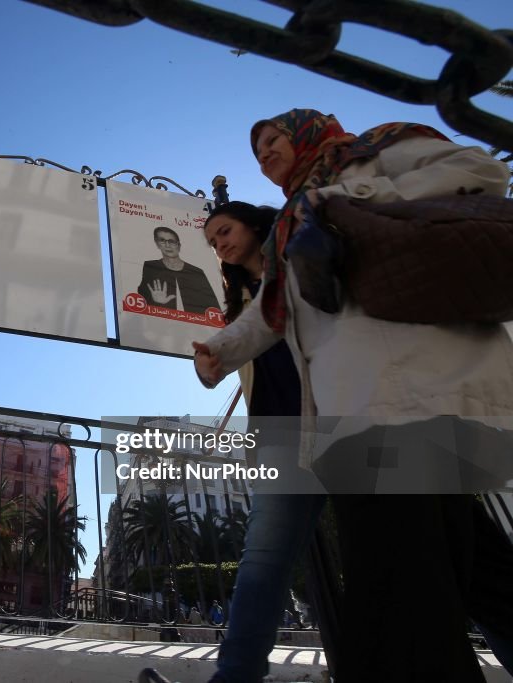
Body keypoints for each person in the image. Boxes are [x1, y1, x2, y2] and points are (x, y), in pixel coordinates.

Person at [192, 109, 513, 683]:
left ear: (309, 130)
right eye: (256, 148)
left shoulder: (370, 153)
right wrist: (222, 350)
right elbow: (276, 310)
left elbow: (476, 168)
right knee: (458, 567)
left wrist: (344, 202)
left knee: (394, 585)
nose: (264, 152)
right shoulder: (297, 219)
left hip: (412, 389)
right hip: (367, 403)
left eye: (272, 139)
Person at [136, 226, 221, 314]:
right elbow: (141, 304)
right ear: (157, 244)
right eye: (162, 240)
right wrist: (157, 302)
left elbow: (213, 308)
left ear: (179, 245)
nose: (167, 245)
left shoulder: (196, 272)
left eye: (171, 241)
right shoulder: (150, 267)